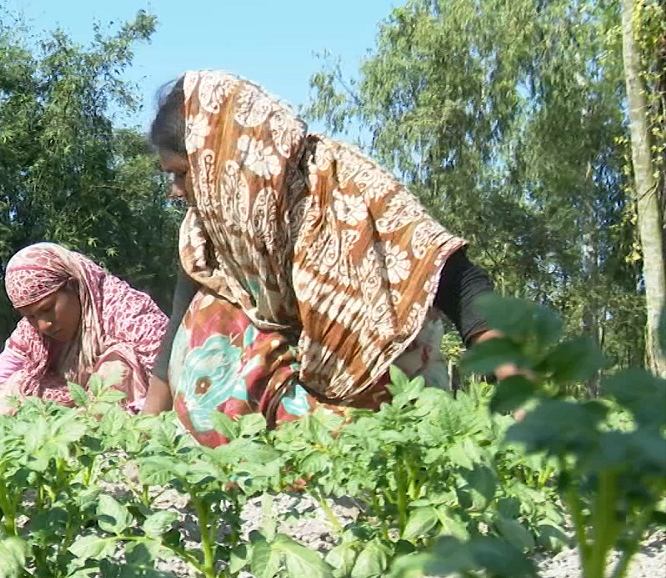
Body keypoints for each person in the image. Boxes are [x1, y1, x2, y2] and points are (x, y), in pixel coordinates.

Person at [143, 71, 506, 446]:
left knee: (382, 444)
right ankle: (246, 459)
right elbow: (177, 322)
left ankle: (378, 450)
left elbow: (457, 280)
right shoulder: (209, 227)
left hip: (371, 390)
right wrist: (143, 432)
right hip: (282, 404)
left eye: (181, 175)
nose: (175, 192)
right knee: (210, 313)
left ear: (221, 163)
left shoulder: (348, 188)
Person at [0, 243, 169, 417]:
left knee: (117, 366)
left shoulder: (128, 311)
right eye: (30, 316)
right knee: (16, 386)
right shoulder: (31, 333)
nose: (43, 325)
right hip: (75, 422)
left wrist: (144, 421)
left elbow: (176, 377)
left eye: (47, 309)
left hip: (136, 418)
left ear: (74, 286)